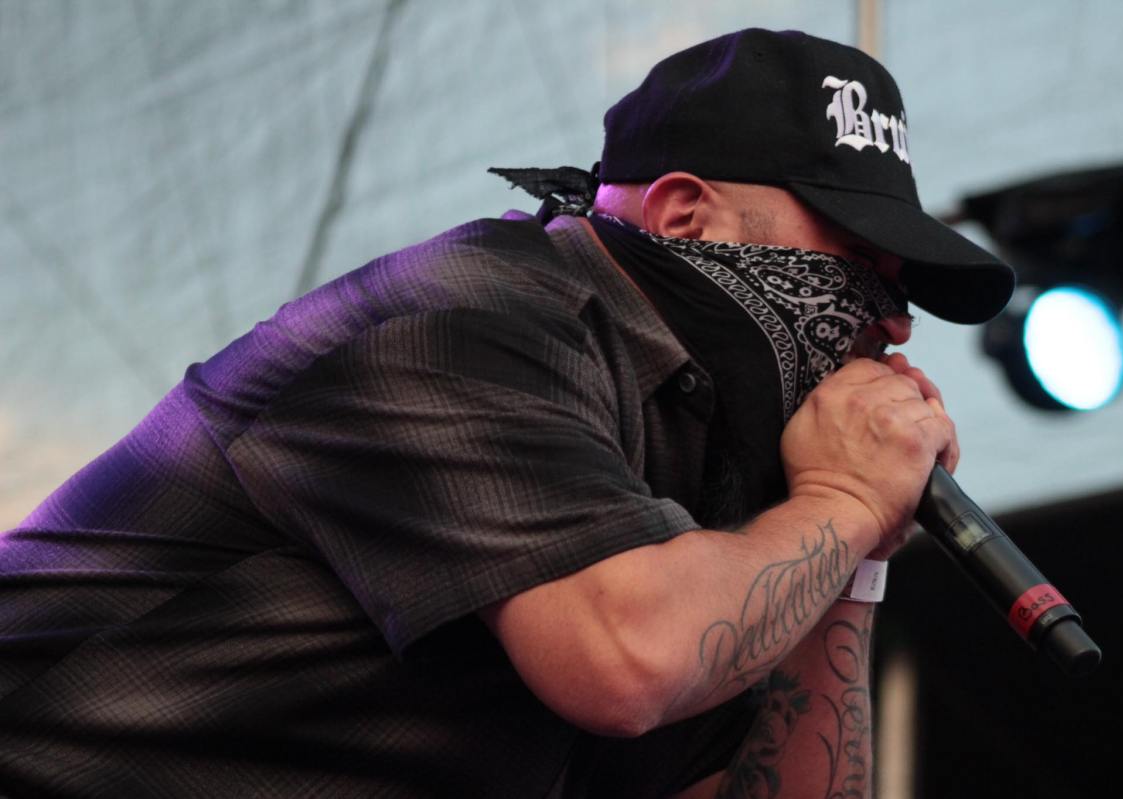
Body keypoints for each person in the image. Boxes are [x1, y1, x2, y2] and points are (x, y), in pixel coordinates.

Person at [0, 28, 1013, 798]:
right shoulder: (466, 322)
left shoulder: (700, 459)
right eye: (853, 261)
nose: (891, 322)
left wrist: (855, 553)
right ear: (683, 215)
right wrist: (840, 500)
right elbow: (624, 663)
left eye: (899, 291)